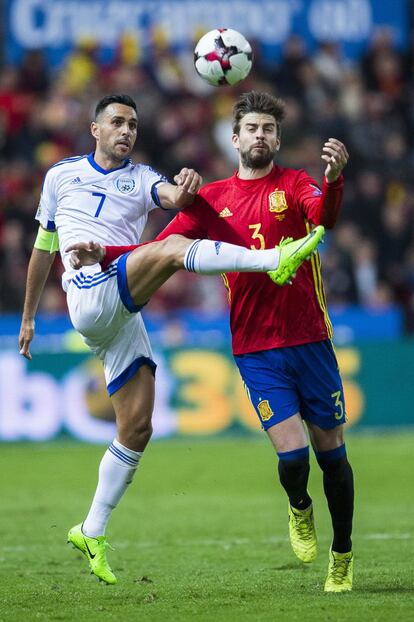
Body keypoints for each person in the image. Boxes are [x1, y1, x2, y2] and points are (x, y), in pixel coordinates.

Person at [18, 93, 324, 586]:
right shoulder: (60, 175)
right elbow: (43, 247)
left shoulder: (141, 179)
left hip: (121, 310)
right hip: (89, 289)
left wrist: (185, 188)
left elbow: (175, 200)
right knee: (172, 249)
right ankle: (275, 261)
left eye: (133, 124)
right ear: (95, 130)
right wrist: (28, 315)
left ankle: (91, 529)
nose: (126, 130)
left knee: (137, 427)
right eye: (116, 122)